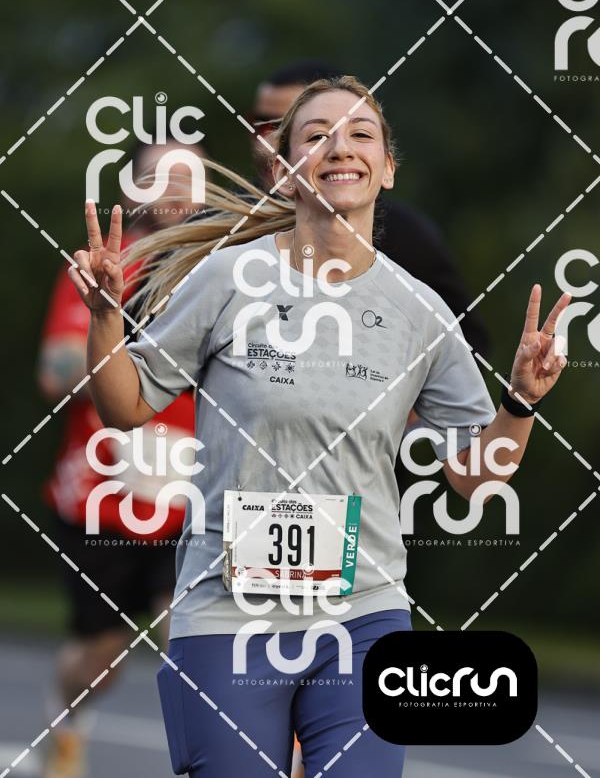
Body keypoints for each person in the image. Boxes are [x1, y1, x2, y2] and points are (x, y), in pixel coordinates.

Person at [68, 76, 569, 777]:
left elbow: (474, 479)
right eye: (317, 135)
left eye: (362, 134)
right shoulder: (227, 278)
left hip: (363, 615)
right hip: (227, 612)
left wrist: (520, 402)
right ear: (284, 169)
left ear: (387, 168)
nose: (341, 147)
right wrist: (104, 318)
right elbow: (125, 407)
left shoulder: (420, 312)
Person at [38, 138, 203, 778]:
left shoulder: (222, 269)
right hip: (106, 492)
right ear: (133, 190)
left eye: (188, 176)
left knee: (190, 631)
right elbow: (54, 369)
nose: (175, 190)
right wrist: (124, 364)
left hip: (193, 492)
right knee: (101, 656)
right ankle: (66, 720)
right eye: (160, 177)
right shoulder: (101, 266)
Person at [250, 60, 490, 357]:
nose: (268, 141)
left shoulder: (405, 238)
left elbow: (465, 347)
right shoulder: (226, 253)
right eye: (262, 125)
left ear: (388, 166)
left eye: (285, 123)